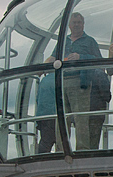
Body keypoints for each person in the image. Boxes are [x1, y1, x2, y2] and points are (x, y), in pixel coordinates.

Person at [45, 11, 108, 151]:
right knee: (61, 118)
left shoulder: (90, 41)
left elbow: (99, 61)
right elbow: (53, 57)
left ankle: (82, 149)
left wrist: (81, 56)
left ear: (83, 24)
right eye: (74, 23)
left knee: (81, 118)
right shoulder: (63, 41)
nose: (77, 25)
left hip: (81, 82)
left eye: (79, 22)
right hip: (62, 82)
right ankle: (61, 149)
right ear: (69, 25)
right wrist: (46, 63)